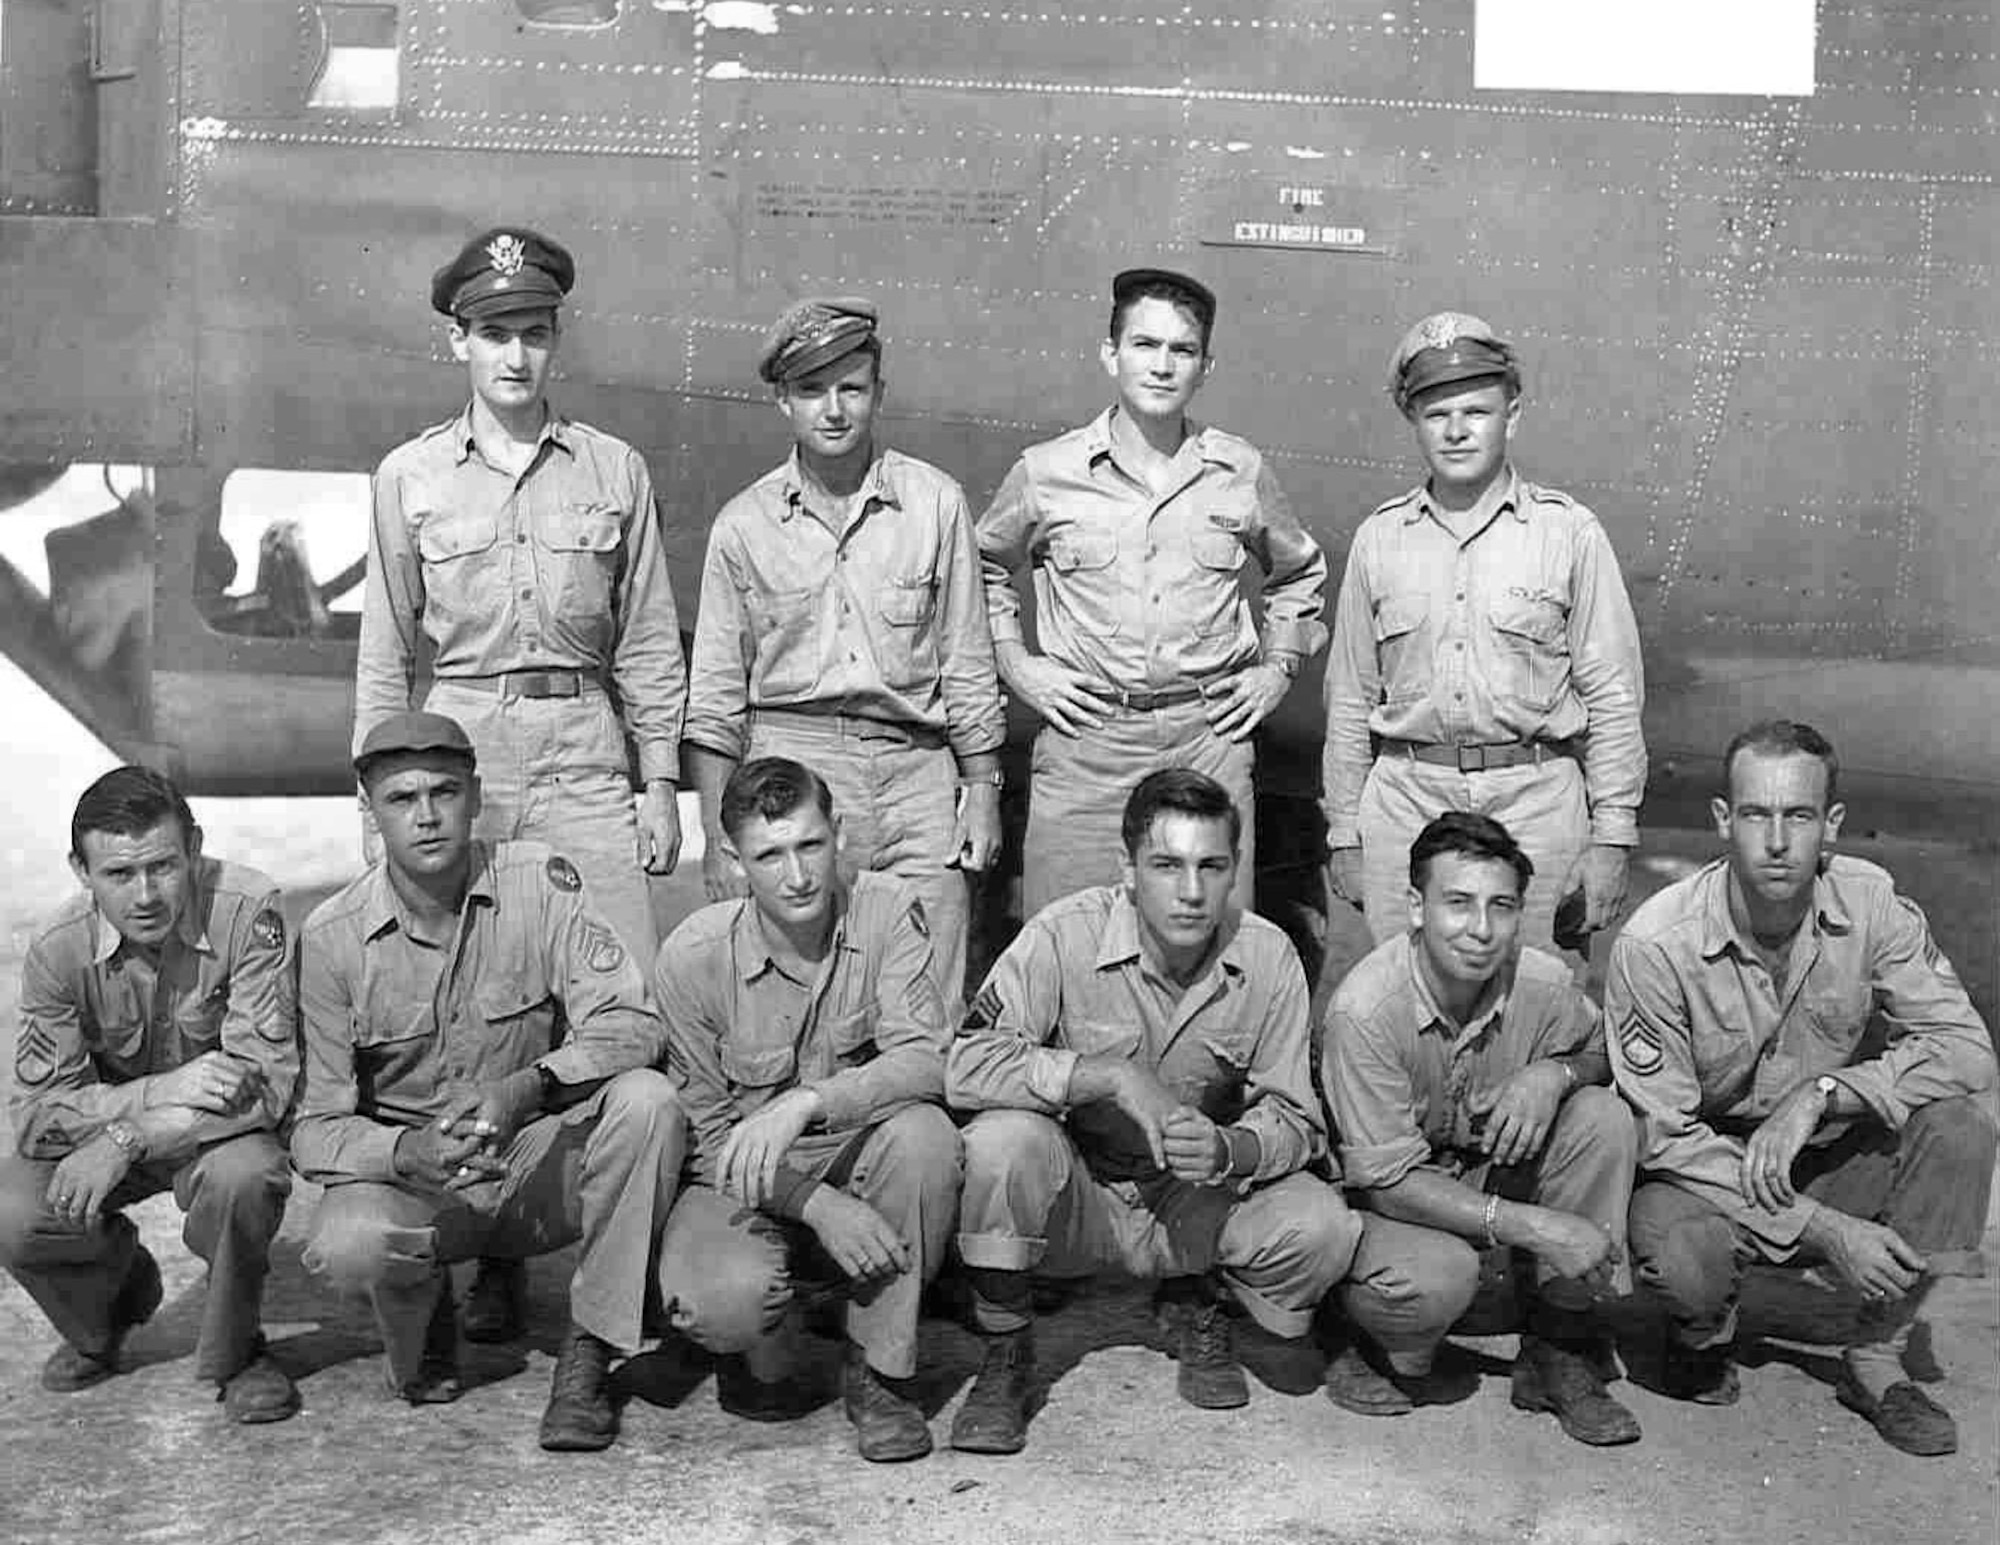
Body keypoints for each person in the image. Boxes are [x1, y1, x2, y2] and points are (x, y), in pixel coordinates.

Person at [293, 711, 685, 1452]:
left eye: (444, 791)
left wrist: (528, 1087)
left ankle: (591, 1351)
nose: (428, 815)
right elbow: (314, 1127)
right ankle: (424, 1302)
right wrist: (406, 1150)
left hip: (526, 1160)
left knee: (648, 1103)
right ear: (370, 813)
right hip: (420, 1186)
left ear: (476, 795)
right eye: (401, 799)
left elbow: (635, 1024)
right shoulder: (333, 937)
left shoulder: (539, 882)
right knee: (348, 1241)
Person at [1609, 719, 1997, 1457]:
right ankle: (1703, 1329)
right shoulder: (1656, 942)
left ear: (1833, 824)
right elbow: (1664, 1136)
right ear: (1724, 819)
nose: (1778, 840)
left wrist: (1826, 1091)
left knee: (1960, 1129)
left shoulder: (1872, 903)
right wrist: (1829, 1231)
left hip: (1820, 1149)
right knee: (1685, 1258)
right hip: (1705, 1174)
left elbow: (1969, 1053)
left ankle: (1876, 1357)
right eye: (1756, 814)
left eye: (1800, 815)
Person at [945, 769, 1358, 1454]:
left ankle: (1200, 1302)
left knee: (1322, 1225)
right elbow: (966, 1064)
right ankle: (1007, 1351)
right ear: (1128, 869)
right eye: (1167, 865)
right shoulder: (1062, 936)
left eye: (1211, 866)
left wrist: (1232, 1148)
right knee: (1001, 1143)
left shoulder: (1267, 954)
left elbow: (1298, 1118)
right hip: (1080, 1197)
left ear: (1234, 870)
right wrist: (1103, 1074)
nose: (1191, 891)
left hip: (1189, 1198)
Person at [354, 225, 685, 968]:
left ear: (556, 340)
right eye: (494, 334)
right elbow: (385, 657)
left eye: (533, 334)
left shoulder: (613, 469)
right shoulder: (409, 477)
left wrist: (659, 782)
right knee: (470, 976)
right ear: (457, 341)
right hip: (464, 754)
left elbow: (649, 641)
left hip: (586, 756)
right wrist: (374, 807)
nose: (515, 357)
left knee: (622, 977)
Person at [683, 298, 1004, 1005]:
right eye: (811, 390)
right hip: (797, 770)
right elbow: (713, 701)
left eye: (851, 388)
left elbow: (969, 662)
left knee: (927, 989)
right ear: (783, 402)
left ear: (878, 394)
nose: (833, 409)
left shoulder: (935, 504)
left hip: (918, 775)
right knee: (812, 986)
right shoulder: (744, 525)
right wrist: (716, 832)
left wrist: (981, 791)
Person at [977, 269, 1327, 915]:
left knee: (1214, 946)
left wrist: (1278, 669)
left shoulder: (1238, 471)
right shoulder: (1047, 472)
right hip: (1087, 742)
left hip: (1206, 741)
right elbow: (982, 567)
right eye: (1144, 345)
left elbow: (1298, 573)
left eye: (1182, 350)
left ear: (1205, 366)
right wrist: (1019, 665)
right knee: (1067, 941)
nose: (1162, 366)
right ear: (1111, 355)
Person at [652, 758, 961, 1463]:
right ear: (733, 860)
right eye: (770, 854)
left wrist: (809, 1101)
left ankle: (880, 1368)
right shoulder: (693, 957)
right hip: (740, 1180)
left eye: (810, 845)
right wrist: (816, 1204)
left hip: (856, 1157)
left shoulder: (886, 909)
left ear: (839, 833)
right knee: (728, 1307)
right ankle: (773, 1326)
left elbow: (928, 1059)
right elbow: (704, 1139)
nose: (797, 876)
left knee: (926, 1137)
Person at [1321, 312, 1645, 954]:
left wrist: (1612, 837)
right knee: (1402, 1002)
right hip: (1407, 804)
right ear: (1413, 421)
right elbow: (1351, 700)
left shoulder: (1569, 535)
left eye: (1477, 411)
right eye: (1437, 414)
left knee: (1542, 1005)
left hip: (1536, 804)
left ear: (1512, 415)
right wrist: (1345, 835)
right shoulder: (1379, 540)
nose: (1457, 431)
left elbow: (1613, 696)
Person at [1319, 812, 1641, 1446]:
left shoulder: (1541, 981)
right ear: (1416, 906)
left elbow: (1607, 1051)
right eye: (1458, 904)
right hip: (1391, 1206)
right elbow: (1387, 1184)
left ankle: (1558, 1345)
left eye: (1502, 906)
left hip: (1474, 1176)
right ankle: (1345, 1330)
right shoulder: (1365, 1011)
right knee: (1437, 1280)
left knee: (1601, 1116)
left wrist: (1554, 1074)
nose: (1481, 929)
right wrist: (1536, 1226)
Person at [0, 766, 299, 1423]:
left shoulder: (249, 910)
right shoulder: (57, 949)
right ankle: (107, 1305)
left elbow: (271, 1085)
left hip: (220, 1133)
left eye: (162, 866)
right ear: (81, 869)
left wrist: (130, 1133)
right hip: (114, 1137)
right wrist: (160, 1091)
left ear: (193, 845)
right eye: (117, 874)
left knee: (246, 1176)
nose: (144, 895)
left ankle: (240, 1348)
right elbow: (36, 1119)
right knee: (11, 1207)